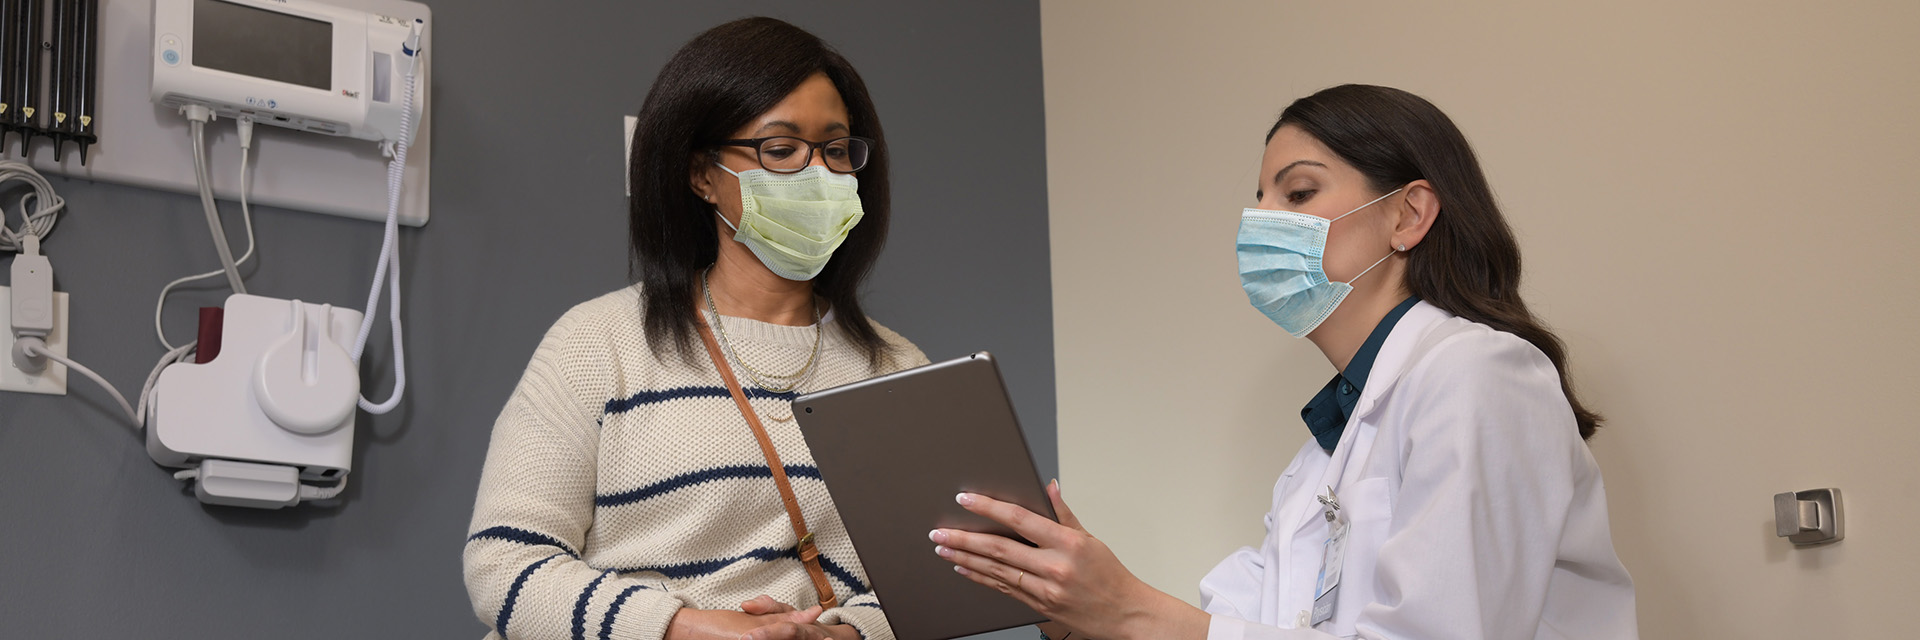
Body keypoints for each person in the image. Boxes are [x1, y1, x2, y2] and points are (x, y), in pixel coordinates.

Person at [930, 85, 1638, 639]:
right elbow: (1234, 628)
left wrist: (1131, 611)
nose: (1262, 220)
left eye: (1298, 193)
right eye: (1261, 199)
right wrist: (1075, 603)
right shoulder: (1317, 464)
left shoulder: (1479, 375)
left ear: (1408, 215)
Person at [464, 17, 928, 640]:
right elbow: (505, 564)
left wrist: (839, 635)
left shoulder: (899, 371)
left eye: (836, 149)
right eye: (781, 148)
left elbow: (928, 584)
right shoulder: (595, 342)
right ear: (701, 174)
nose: (819, 174)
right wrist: (683, 628)